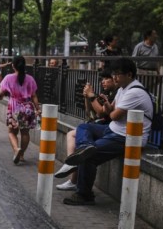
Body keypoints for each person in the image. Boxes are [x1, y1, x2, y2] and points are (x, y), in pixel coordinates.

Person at [62, 58, 153, 206]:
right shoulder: (123, 89)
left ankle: (84, 194)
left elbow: (113, 116)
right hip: (113, 130)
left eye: (117, 74)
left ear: (129, 75)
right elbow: (108, 111)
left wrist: (106, 108)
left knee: (89, 157)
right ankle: (85, 146)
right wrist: (106, 105)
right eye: (114, 74)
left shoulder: (135, 92)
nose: (114, 77)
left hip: (125, 137)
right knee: (83, 128)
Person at [55, 70, 118, 191]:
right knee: (74, 137)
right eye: (102, 79)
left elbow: (100, 113)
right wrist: (86, 98)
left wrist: (92, 96)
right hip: (100, 127)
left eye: (106, 79)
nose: (103, 82)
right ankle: (72, 172)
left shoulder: (116, 94)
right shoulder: (106, 93)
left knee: (77, 139)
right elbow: (90, 114)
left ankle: (72, 172)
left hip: (108, 130)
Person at [0, 55, 41, 165]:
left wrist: (1, 95)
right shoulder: (30, 79)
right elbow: (34, 96)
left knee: (12, 131)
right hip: (27, 108)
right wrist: (38, 108)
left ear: (13, 65)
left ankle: (17, 149)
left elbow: (1, 93)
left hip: (14, 108)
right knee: (25, 133)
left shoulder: (8, 78)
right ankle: (21, 155)